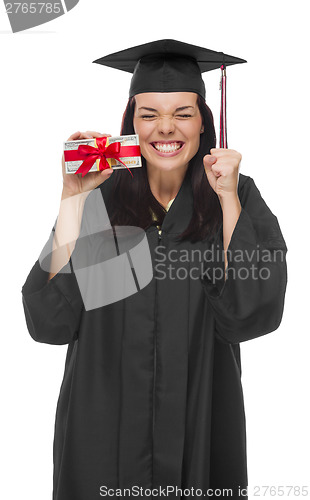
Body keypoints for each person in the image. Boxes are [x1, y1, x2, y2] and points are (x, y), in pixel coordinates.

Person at [21, 40, 288, 500]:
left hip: (200, 422)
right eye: (149, 115)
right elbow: (48, 320)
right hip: (101, 433)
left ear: (204, 121)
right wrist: (71, 200)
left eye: (183, 113)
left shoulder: (237, 194)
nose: (166, 127)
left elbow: (252, 314)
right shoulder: (99, 195)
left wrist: (227, 199)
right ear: (131, 124)